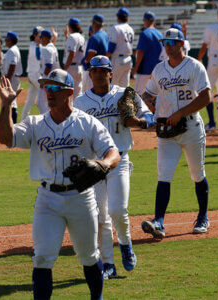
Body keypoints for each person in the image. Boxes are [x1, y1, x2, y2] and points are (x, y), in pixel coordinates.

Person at [0, 69, 120, 300]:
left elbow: (113, 152)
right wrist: (5, 106)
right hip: (48, 200)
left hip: (81, 198)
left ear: (69, 92)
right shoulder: (35, 123)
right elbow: (6, 138)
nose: (48, 92)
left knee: (89, 256)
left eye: (54, 88)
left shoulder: (87, 123)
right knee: (42, 257)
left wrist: (103, 165)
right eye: (46, 87)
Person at [74, 55, 154, 279]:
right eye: (94, 71)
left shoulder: (124, 94)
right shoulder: (80, 103)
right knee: (100, 216)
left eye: (103, 71)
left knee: (117, 210)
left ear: (111, 73)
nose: (98, 74)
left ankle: (126, 243)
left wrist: (139, 122)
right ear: (90, 74)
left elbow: (150, 115)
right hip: (96, 164)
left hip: (120, 159)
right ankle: (108, 263)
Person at [140, 28, 211, 239]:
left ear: (182, 43)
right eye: (165, 42)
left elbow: (206, 97)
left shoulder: (194, 66)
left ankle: (203, 217)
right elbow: (148, 94)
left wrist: (180, 112)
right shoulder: (160, 69)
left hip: (191, 128)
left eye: (171, 42)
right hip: (167, 132)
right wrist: (152, 109)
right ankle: (159, 222)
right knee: (164, 175)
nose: (168, 45)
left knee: (197, 174)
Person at [132, 11, 163, 96]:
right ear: (154, 21)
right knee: (153, 95)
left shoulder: (144, 33)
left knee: (137, 95)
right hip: (157, 69)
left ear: (145, 20)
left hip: (145, 70)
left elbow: (141, 52)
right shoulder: (160, 34)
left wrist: (135, 67)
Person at [0, 31, 23, 123]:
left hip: (11, 79)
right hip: (11, 78)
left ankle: (13, 124)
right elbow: (0, 62)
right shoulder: (11, 50)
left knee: (11, 102)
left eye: (7, 39)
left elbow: (12, 65)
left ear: (10, 40)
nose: (5, 41)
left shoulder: (12, 50)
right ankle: (11, 123)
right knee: (8, 102)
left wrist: (7, 80)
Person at [106, 8, 134, 88]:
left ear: (118, 17)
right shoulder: (130, 28)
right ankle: (125, 101)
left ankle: (111, 101)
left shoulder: (116, 28)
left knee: (111, 85)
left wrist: (105, 57)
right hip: (128, 59)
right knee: (125, 87)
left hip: (118, 59)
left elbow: (112, 46)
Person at [21, 26, 43, 121]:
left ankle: (23, 120)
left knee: (30, 100)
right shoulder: (34, 46)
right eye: (39, 35)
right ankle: (45, 117)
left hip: (33, 74)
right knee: (43, 95)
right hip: (34, 75)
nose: (41, 37)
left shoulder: (37, 45)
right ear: (35, 36)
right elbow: (38, 57)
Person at [37, 29, 60, 114]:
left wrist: (44, 80)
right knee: (49, 103)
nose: (41, 39)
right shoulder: (53, 47)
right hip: (54, 78)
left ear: (46, 38)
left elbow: (48, 67)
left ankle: (46, 122)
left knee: (41, 103)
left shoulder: (47, 49)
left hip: (48, 78)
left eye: (42, 37)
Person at [83, 14, 108, 91]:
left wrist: (85, 61)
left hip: (94, 70)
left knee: (90, 93)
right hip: (104, 68)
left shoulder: (94, 37)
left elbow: (90, 56)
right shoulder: (106, 35)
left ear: (93, 23)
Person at [63, 18, 85, 99]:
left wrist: (65, 69)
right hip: (79, 67)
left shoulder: (72, 37)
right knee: (78, 94)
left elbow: (72, 53)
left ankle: (70, 111)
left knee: (68, 93)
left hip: (71, 67)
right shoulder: (81, 37)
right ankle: (79, 110)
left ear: (69, 26)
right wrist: (66, 36)